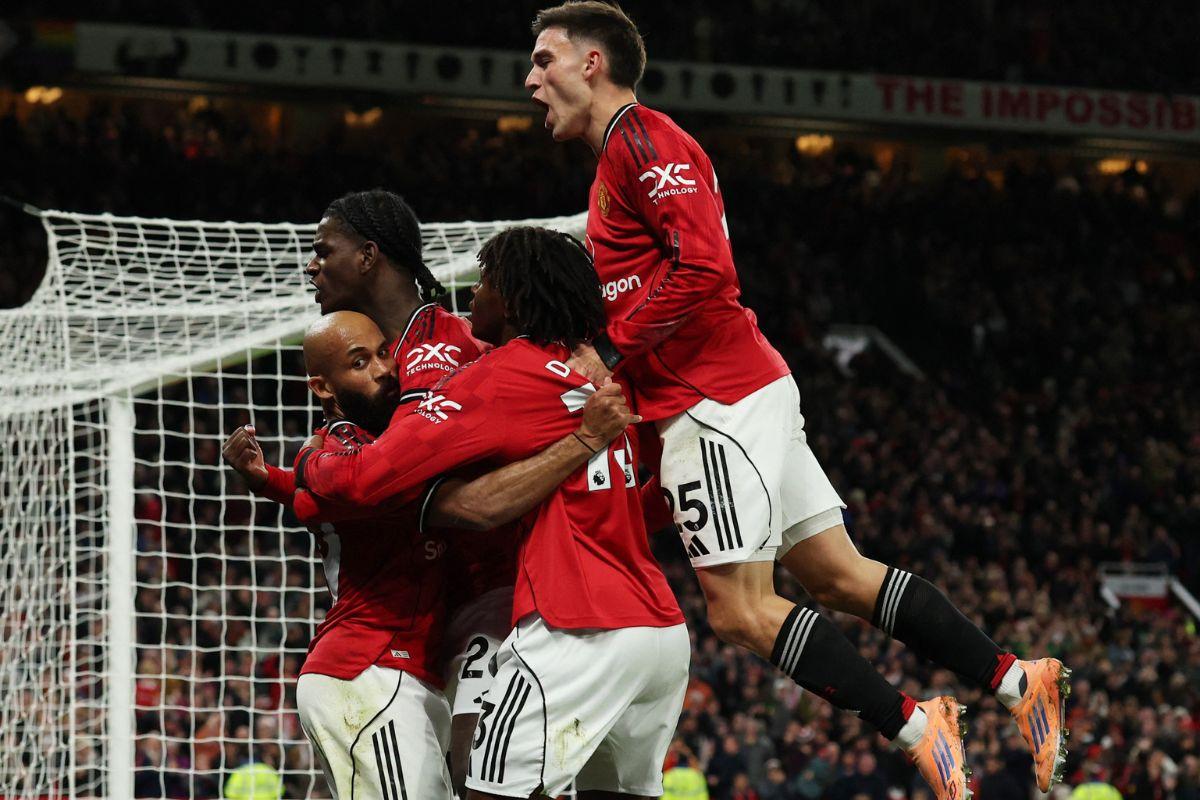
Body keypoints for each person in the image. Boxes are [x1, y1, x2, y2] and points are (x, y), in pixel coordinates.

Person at [523, 2, 1070, 796]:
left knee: (742, 611)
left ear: (592, 64)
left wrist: (613, 349)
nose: (531, 78)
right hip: (735, 387)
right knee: (840, 576)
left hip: (712, 398)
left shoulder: (641, 139)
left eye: (544, 60)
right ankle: (1020, 681)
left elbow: (704, 269)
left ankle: (922, 728)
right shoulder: (619, 159)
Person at [290, 227, 690, 799]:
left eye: (483, 284)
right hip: (661, 633)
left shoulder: (504, 376)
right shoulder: (592, 380)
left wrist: (303, 472)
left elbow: (375, 474)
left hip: (577, 625)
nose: (471, 296)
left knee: (485, 790)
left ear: (512, 301)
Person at [223, 309, 638, 799]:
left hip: (409, 674)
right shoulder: (336, 455)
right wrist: (584, 439)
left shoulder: (378, 447)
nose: (383, 369)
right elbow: (342, 490)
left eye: (384, 353)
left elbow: (310, 493)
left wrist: (267, 479)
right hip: (368, 670)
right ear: (323, 388)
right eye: (360, 363)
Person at [262, 187, 526, 795]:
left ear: (368, 256)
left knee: (489, 785)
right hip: (405, 648)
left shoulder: (437, 346)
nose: (311, 265)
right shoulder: (378, 374)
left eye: (323, 250)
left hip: (488, 609)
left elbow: (382, 483)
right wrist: (294, 482)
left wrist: (313, 479)